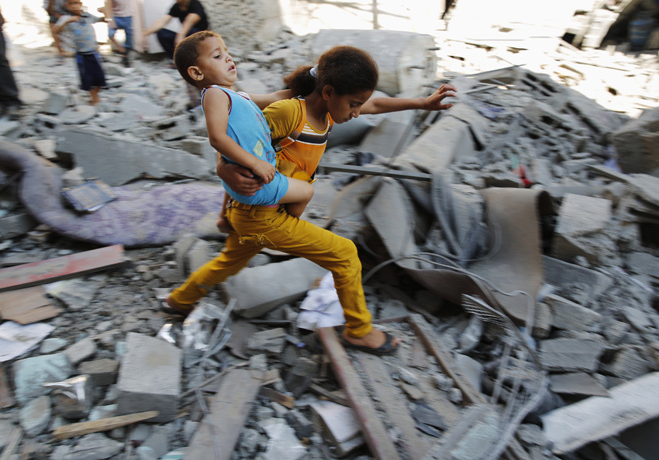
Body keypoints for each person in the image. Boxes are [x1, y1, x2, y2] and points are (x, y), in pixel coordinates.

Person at [168, 36, 457, 355]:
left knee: (228, 262)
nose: (359, 112)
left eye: (360, 104)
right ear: (330, 92)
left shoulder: (330, 110)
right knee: (345, 254)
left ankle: (179, 300)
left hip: (252, 213)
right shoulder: (288, 113)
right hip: (263, 215)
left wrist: (423, 103)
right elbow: (241, 146)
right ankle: (359, 330)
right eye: (353, 104)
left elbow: (374, 105)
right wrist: (223, 169)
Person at [174, 31, 314, 232]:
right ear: (197, 73)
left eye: (227, 52)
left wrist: (307, 89)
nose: (228, 58)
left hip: (242, 176)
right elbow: (217, 138)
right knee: (306, 191)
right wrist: (256, 163)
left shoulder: (236, 96)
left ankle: (225, 219)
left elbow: (274, 98)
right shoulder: (215, 94)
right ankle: (280, 229)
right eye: (217, 56)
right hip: (257, 180)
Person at [54, 0, 107, 106]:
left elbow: (103, 20)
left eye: (76, 3)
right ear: (66, 5)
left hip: (94, 52)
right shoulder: (65, 18)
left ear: (81, 4)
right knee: (88, 77)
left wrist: (105, 12)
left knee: (100, 77)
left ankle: (95, 96)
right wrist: (67, 22)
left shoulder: (87, 16)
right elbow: (55, 30)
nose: (74, 6)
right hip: (81, 54)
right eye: (71, 3)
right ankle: (95, 99)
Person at [141, 0, 208, 66]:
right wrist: (145, 33)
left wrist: (181, 34)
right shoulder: (177, 6)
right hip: (186, 35)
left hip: (200, 38)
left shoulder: (195, 4)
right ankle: (175, 61)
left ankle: (195, 61)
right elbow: (162, 22)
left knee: (191, 31)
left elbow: (190, 21)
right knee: (162, 33)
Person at [101, 0, 134, 67]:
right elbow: (107, 5)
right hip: (116, 17)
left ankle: (126, 56)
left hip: (128, 16)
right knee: (110, 34)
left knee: (130, 36)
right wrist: (110, 19)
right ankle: (121, 50)